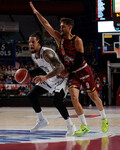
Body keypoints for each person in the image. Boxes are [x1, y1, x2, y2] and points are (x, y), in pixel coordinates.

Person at [29, 2, 109, 136]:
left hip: (82, 70)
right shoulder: (59, 39)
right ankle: (84, 126)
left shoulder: (77, 40)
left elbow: (78, 60)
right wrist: (37, 14)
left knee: (93, 96)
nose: (60, 28)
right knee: (73, 97)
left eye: (63, 27)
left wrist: (66, 72)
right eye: (60, 26)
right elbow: (46, 25)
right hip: (71, 74)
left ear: (69, 28)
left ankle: (104, 118)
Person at [27, 32, 76, 136]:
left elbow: (60, 68)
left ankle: (70, 125)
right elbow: (43, 67)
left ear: (38, 42)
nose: (30, 44)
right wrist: (29, 74)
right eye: (29, 42)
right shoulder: (33, 56)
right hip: (50, 78)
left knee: (57, 101)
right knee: (31, 96)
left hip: (61, 78)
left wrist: (45, 77)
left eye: (33, 42)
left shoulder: (47, 53)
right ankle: (41, 120)